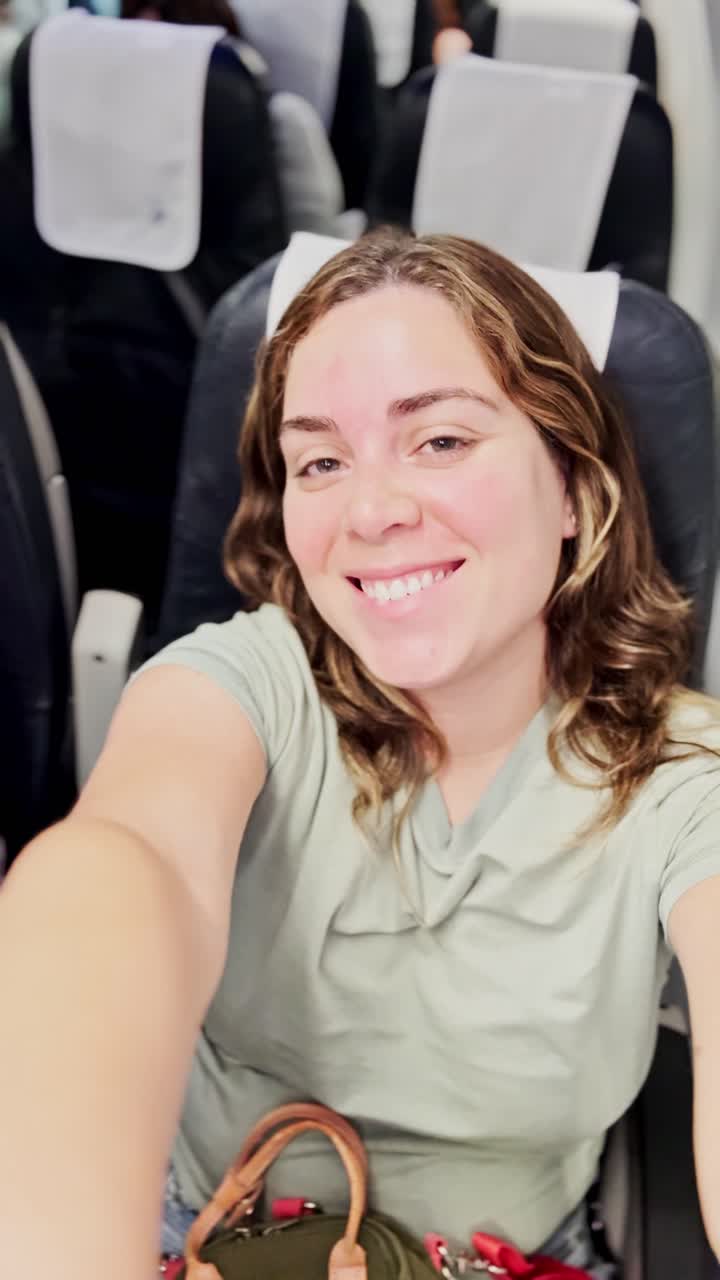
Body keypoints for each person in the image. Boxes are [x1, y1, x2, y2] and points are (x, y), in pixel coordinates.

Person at [2, 229, 720, 1280]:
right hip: (201, 1236)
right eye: (322, 460)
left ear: (573, 487)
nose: (373, 511)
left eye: (440, 441)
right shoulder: (238, 686)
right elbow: (110, 875)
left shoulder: (677, 772)